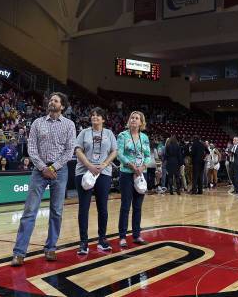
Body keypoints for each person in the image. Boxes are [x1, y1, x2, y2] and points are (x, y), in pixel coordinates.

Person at [11, 92, 76, 266]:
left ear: (62, 106)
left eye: (56, 100)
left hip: (59, 171)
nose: (52, 102)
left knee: (56, 212)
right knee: (29, 211)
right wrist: (43, 168)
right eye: (51, 99)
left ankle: (51, 248)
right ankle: (19, 252)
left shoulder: (69, 125)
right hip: (39, 170)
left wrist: (53, 168)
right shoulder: (37, 123)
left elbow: (69, 151)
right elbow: (31, 148)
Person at [74, 107, 117, 255]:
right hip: (84, 172)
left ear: (103, 119)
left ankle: (102, 240)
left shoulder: (109, 133)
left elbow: (114, 151)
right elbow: (78, 150)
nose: (95, 117)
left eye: (98, 115)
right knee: (84, 208)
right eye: (92, 115)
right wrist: (89, 166)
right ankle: (83, 242)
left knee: (102, 208)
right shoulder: (84, 133)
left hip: (103, 173)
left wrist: (104, 164)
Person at [117, 111, 152, 248]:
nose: (133, 119)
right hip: (126, 173)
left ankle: (136, 235)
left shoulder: (144, 137)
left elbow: (148, 155)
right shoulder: (122, 135)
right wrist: (132, 166)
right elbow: (119, 153)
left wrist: (143, 166)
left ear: (141, 123)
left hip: (141, 174)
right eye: (132, 117)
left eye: (137, 118)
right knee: (125, 206)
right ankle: (122, 237)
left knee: (138, 206)